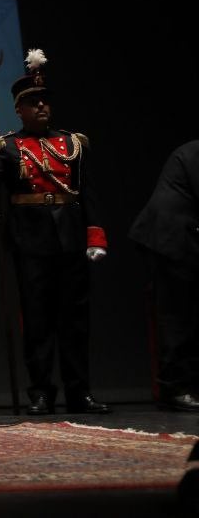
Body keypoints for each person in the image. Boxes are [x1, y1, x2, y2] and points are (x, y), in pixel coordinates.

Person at [0, 48, 109, 416]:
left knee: (75, 321)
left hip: (70, 236)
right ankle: (41, 392)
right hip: (30, 239)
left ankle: (80, 392)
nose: (42, 108)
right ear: (19, 109)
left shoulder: (74, 144)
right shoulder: (9, 146)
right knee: (37, 321)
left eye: (45, 102)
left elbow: (87, 192)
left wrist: (94, 236)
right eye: (34, 104)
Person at [129, 140, 199, 412]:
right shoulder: (194, 153)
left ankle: (180, 385)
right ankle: (175, 387)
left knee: (183, 314)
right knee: (178, 316)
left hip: (176, 240)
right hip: (171, 240)